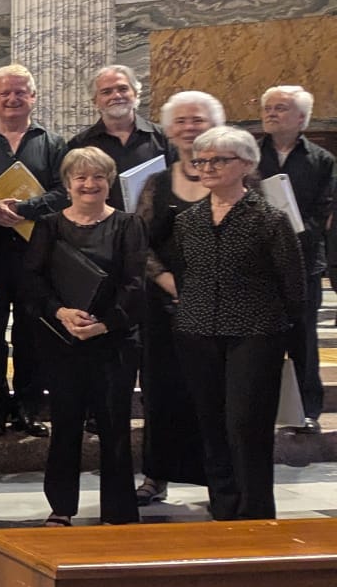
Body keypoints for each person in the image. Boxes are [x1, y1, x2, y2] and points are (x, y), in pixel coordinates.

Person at [165, 125, 305, 521]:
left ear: (245, 165)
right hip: (197, 332)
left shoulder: (270, 219)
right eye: (201, 161)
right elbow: (184, 272)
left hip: (255, 333)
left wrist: (287, 338)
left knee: (246, 426)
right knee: (210, 426)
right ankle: (225, 511)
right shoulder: (188, 220)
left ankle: (256, 514)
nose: (207, 167)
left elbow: (293, 287)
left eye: (217, 160)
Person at [22, 147, 148, 526]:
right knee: (65, 425)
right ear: (67, 184)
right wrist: (61, 313)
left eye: (98, 177)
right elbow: (31, 280)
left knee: (115, 426)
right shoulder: (49, 225)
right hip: (64, 341)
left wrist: (105, 323)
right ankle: (61, 507)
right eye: (81, 177)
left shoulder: (128, 224)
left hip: (115, 341)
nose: (89, 184)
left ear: (109, 182)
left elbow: (135, 283)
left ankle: (118, 510)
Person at [0, 65, 67, 435]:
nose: (12, 99)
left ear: (33, 97)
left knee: (32, 333)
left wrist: (24, 209)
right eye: (4, 93)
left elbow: (64, 192)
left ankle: (27, 407)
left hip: (37, 254)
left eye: (20, 92)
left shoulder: (54, 144)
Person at [136, 90, 226, 504]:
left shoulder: (238, 178)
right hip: (164, 304)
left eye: (199, 120)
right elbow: (140, 242)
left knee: (215, 393)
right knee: (162, 390)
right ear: (170, 130)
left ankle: (220, 476)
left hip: (224, 306)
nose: (190, 129)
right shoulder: (155, 182)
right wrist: (169, 280)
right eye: (183, 121)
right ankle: (157, 476)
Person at [257, 84, 332, 430]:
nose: (271, 113)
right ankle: (261, 406)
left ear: (302, 118)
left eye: (281, 108)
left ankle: (308, 411)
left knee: (303, 337)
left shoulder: (322, 160)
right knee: (258, 339)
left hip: (303, 260)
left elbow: (323, 211)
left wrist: (293, 232)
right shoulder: (249, 155)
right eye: (268, 108)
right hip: (256, 261)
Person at [56, 66, 172, 210]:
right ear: (95, 101)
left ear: (136, 94)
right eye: (106, 92)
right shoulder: (79, 145)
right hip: (101, 229)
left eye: (123, 89)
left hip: (154, 227)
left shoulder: (164, 138)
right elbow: (70, 193)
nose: (116, 96)